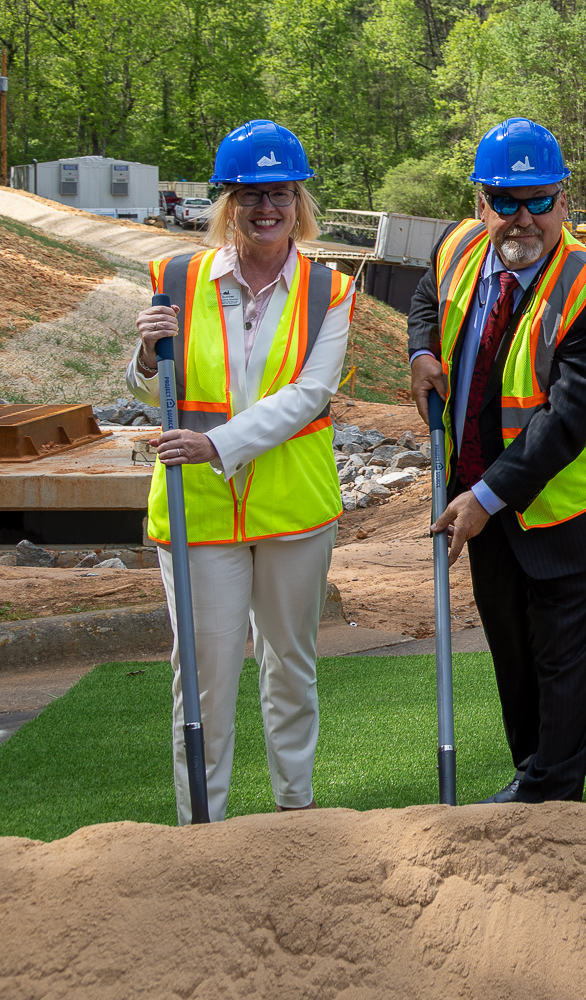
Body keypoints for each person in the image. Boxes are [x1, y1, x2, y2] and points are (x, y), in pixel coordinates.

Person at [128, 119, 355, 824]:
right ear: (227, 201)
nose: (267, 208)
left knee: (290, 668)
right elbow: (146, 387)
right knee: (203, 678)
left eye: (281, 193)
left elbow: (308, 395)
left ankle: (297, 813)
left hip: (292, 512)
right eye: (252, 194)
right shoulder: (176, 278)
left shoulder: (330, 291)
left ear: (299, 201)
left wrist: (217, 446)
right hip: (198, 512)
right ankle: (203, 828)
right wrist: (143, 357)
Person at [407, 117, 586, 803]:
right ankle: (532, 775)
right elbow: (424, 297)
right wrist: (422, 352)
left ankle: (551, 795)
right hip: (485, 503)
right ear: (480, 205)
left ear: (564, 201)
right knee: (513, 655)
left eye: (539, 200)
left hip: (573, 509)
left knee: (565, 661)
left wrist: (483, 499)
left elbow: (567, 420)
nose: (523, 218)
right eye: (506, 202)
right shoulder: (457, 249)